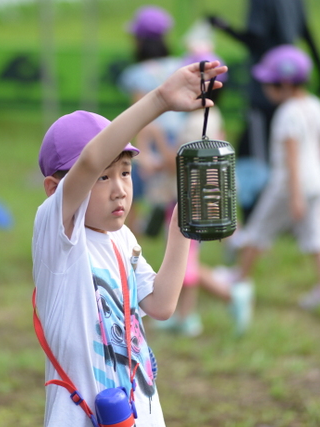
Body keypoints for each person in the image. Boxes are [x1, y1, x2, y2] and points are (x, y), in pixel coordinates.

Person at [32, 62, 227, 426]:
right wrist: (160, 100)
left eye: (125, 172)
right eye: (103, 178)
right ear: (55, 190)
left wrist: (180, 227)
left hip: (139, 413)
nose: (120, 189)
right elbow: (90, 159)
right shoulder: (58, 236)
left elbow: (161, 304)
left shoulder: (122, 238)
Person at [233, 45, 320, 310]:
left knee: (257, 231)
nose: (265, 88)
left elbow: (292, 160)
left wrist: (295, 196)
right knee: (318, 238)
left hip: (287, 187)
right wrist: (316, 163)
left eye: (269, 83)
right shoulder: (315, 104)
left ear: (284, 84)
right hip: (317, 183)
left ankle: (238, 280)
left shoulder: (286, 114)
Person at [154, 50, 254, 337]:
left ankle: (231, 294)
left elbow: (180, 162)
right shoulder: (210, 116)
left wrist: (156, 142)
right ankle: (186, 315)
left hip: (188, 203)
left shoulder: (198, 122)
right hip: (193, 201)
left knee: (184, 262)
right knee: (185, 260)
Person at [208, 0, 320, 219]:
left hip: (265, 96)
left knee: (256, 159)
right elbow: (308, 35)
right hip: (288, 86)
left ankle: (256, 217)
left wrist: (223, 26)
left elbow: (256, 40)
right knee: (280, 154)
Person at [118, 5, 186, 236]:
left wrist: (142, 151)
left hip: (153, 138)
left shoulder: (138, 73)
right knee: (178, 190)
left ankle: (128, 233)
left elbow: (139, 115)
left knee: (132, 189)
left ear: (139, 40)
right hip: (180, 138)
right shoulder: (179, 66)